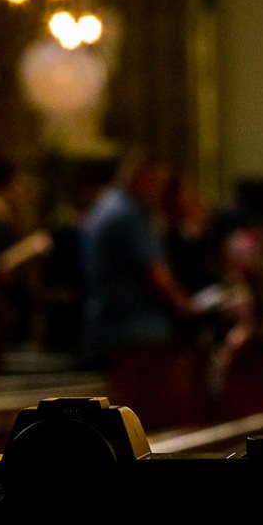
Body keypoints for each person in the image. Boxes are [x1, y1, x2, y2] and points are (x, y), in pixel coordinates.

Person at [80, 152, 194, 367]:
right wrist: (188, 306)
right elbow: (156, 274)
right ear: (144, 177)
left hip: (106, 325)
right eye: (160, 182)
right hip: (136, 330)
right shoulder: (133, 214)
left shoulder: (106, 204)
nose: (161, 192)